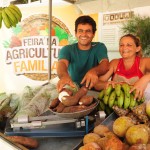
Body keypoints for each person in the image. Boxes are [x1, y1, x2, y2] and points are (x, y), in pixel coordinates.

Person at [56, 15, 109, 92]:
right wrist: (64, 76)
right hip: (73, 88)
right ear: (76, 33)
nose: (84, 34)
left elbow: (105, 64)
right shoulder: (67, 49)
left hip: (95, 89)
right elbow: (62, 63)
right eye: (80, 31)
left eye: (88, 31)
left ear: (93, 34)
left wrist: (94, 71)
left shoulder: (99, 46)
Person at [94, 33, 150, 100]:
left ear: (137, 48)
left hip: (139, 105)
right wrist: (107, 84)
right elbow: (97, 84)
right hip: (116, 105)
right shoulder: (114, 63)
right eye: (121, 45)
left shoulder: (144, 62)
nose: (124, 48)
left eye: (129, 45)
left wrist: (145, 79)